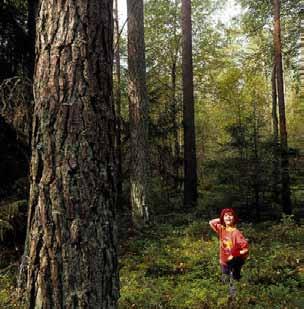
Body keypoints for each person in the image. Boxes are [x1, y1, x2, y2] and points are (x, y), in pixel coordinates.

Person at [209, 208, 249, 282]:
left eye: (230, 215)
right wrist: (221, 219)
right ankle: (226, 291)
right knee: (225, 279)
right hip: (223, 260)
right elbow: (211, 222)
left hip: (234, 261)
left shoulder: (236, 233)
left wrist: (236, 254)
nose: (228, 217)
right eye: (226, 216)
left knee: (235, 279)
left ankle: (237, 291)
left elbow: (245, 249)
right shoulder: (222, 229)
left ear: (234, 218)